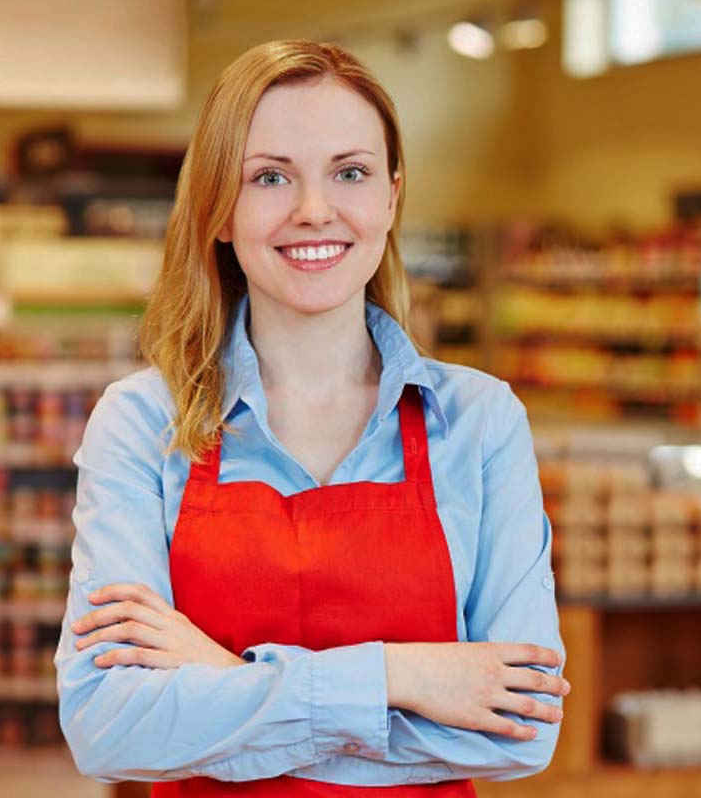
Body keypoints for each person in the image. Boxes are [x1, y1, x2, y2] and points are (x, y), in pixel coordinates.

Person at [54, 39, 568, 796]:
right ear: (219, 211)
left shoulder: (481, 422)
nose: (314, 210)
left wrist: (221, 678)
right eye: (270, 177)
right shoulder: (141, 423)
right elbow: (108, 727)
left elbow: (523, 730)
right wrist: (405, 674)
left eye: (350, 172)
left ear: (391, 196)